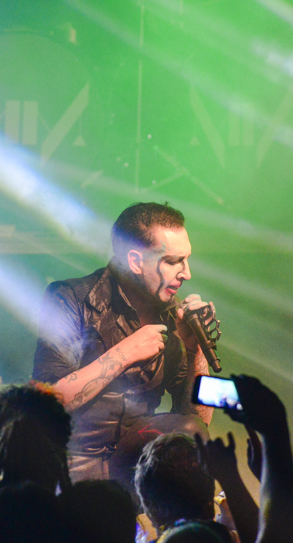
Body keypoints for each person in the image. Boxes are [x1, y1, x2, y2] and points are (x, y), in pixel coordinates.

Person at [32, 202, 214, 491]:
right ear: (135, 262)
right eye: (172, 261)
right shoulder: (71, 298)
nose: (186, 273)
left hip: (139, 467)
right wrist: (125, 353)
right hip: (74, 465)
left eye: (186, 260)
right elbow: (48, 400)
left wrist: (195, 351)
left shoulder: (173, 316)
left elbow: (198, 423)